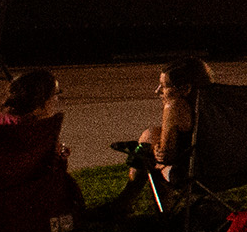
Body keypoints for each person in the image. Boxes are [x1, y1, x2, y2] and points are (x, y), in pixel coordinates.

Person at [93, 59, 216, 218]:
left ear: (185, 89)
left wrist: (155, 151)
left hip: (199, 175)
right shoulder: (220, 105)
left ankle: (161, 214)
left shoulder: (175, 106)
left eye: (164, 86)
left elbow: (166, 156)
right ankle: (124, 202)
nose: (157, 91)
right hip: (235, 170)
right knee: (150, 134)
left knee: (148, 157)